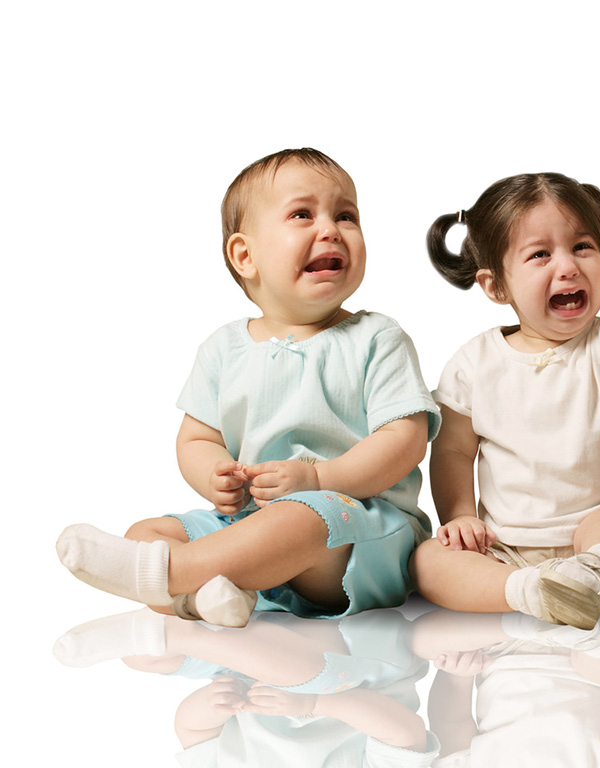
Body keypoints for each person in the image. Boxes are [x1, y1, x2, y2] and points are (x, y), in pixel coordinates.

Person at [57, 148, 440, 628]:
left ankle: (173, 573)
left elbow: (405, 440)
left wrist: (319, 480)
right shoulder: (224, 348)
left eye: (346, 216)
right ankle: (207, 597)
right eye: (302, 215)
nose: (330, 229)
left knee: (297, 519)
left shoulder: (377, 337)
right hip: (249, 523)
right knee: (146, 531)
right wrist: (215, 476)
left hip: (356, 532)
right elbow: (197, 439)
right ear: (245, 255)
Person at [411, 172, 600, 631]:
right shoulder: (473, 363)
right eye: (540, 254)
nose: (568, 266)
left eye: (582, 247)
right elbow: (452, 449)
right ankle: (531, 590)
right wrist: (460, 517)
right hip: (507, 546)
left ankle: (594, 577)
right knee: (428, 562)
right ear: (495, 286)